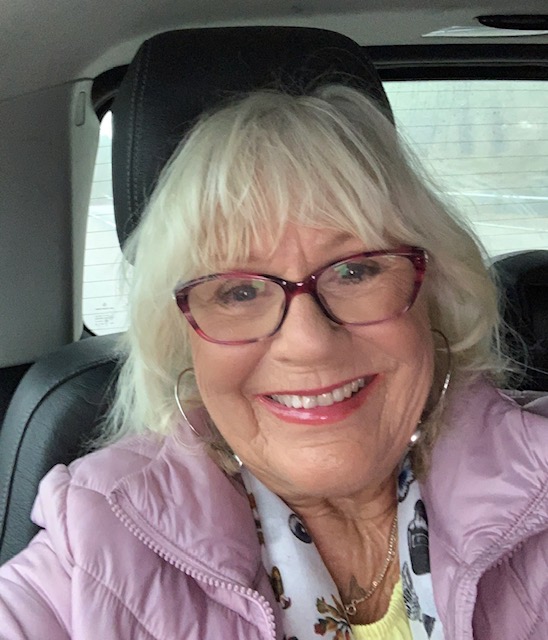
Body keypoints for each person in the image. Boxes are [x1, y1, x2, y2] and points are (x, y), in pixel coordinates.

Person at [1, 83, 547, 640]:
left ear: (435, 296)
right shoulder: (95, 544)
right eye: (238, 292)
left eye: (356, 271)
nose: (308, 342)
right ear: (183, 341)